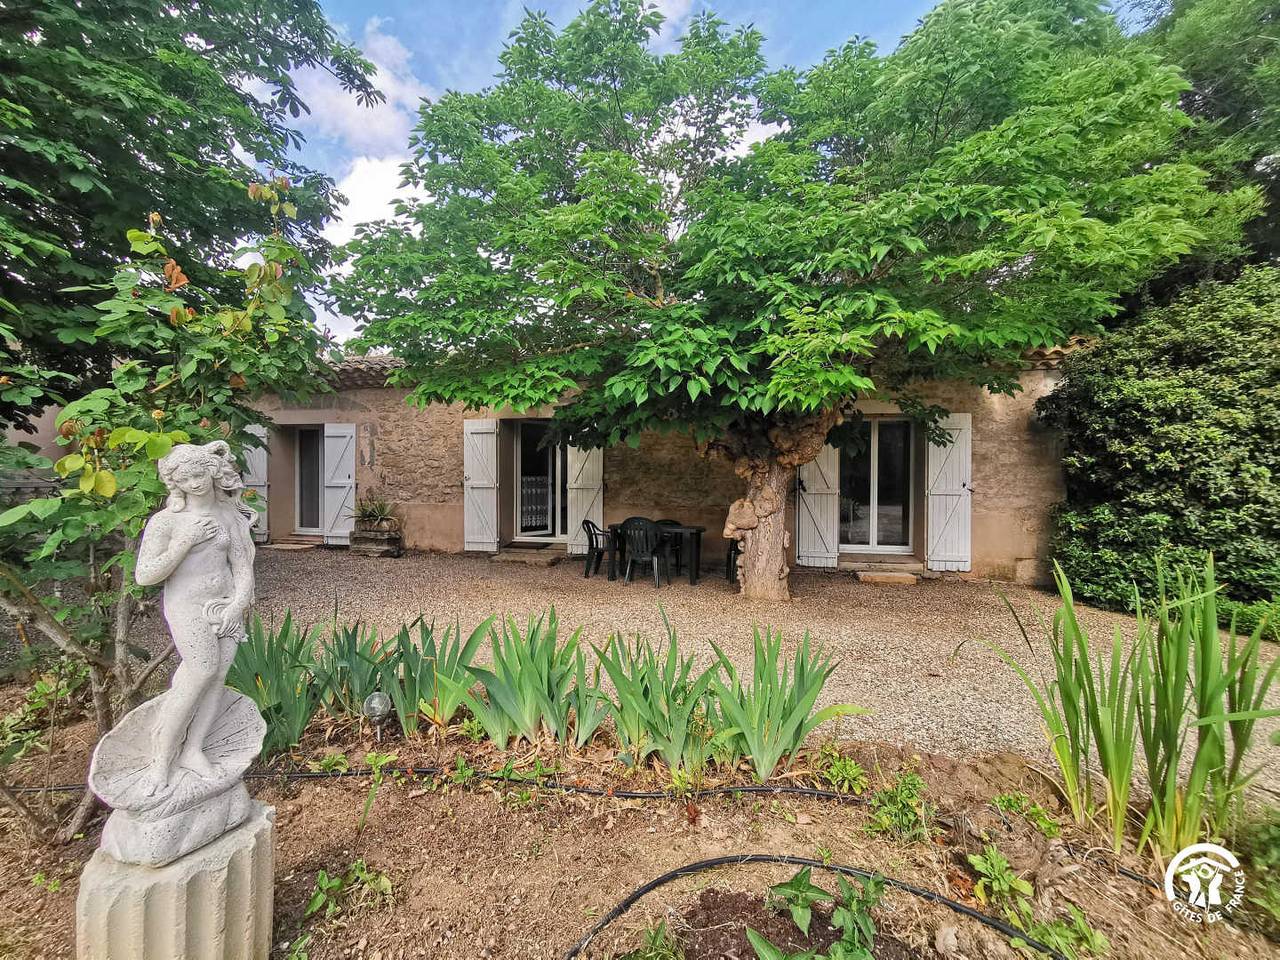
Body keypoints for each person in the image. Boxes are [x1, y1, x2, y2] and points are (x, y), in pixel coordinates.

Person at [134, 440, 256, 794]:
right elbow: (145, 575)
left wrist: (237, 604)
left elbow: (242, 566)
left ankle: (193, 749)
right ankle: (160, 760)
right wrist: (183, 542)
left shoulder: (228, 515)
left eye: (200, 474)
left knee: (216, 677)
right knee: (199, 670)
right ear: (176, 483)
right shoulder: (167, 522)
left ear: (212, 472)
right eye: (186, 479)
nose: (196, 483)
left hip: (225, 606)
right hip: (187, 606)